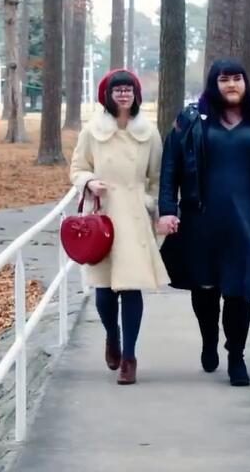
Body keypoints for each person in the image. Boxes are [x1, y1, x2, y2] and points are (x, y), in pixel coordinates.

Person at [157, 60, 250, 386]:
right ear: (213, 83)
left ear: (245, 82)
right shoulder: (191, 119)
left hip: (244, 223)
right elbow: (170, 166)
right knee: (205, 288)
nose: (231, 84)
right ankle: (209, 341)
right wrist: (167, 209)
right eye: (224, 79)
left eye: (237, 78)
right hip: (200, 219)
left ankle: (236, 356)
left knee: (238, 291)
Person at [69, 69, 169, 385]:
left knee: (131, 286)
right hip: (103, 215)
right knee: (103, 290)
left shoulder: (148, 132)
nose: (123, 95)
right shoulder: (92, 131)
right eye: (118, 90)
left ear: (136, 94)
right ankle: (112, 336)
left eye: (128, 90)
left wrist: (151, 203)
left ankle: (129, 356)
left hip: (135, 215)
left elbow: (157, 176)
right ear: (108, 95)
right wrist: (89, 182)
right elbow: (77, 168)